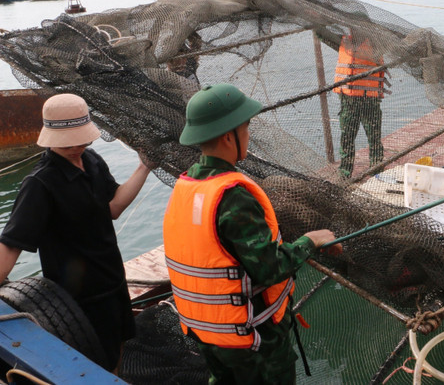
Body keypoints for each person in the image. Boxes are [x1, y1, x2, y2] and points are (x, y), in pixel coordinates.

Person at [163, 83, 341, 384]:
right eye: (245, 128)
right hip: (252, 340)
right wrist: (311, 240)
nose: (248, 135)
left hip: (207, 334)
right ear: (227, 135)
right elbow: (270, 268)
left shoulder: (187, 185)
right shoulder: (232, 196)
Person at [0, 93, 153, 373]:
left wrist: (144, 167)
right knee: (95, 364)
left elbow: (114, 207)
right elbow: (11, 243)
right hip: (78, 299)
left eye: (81, 138)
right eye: (67, 141)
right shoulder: (39, 184)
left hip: (114, 281)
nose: (75, 146)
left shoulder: (91, 160)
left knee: (118, 348)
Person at [333, 31, 386, 179]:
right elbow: (321, 32)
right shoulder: (342, 41)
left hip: (370, 102)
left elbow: (395, 48)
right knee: (347, 138)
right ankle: (345, 173)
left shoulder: (376, 44)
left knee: (374, 139)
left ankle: (377, 172)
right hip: (348, 102)